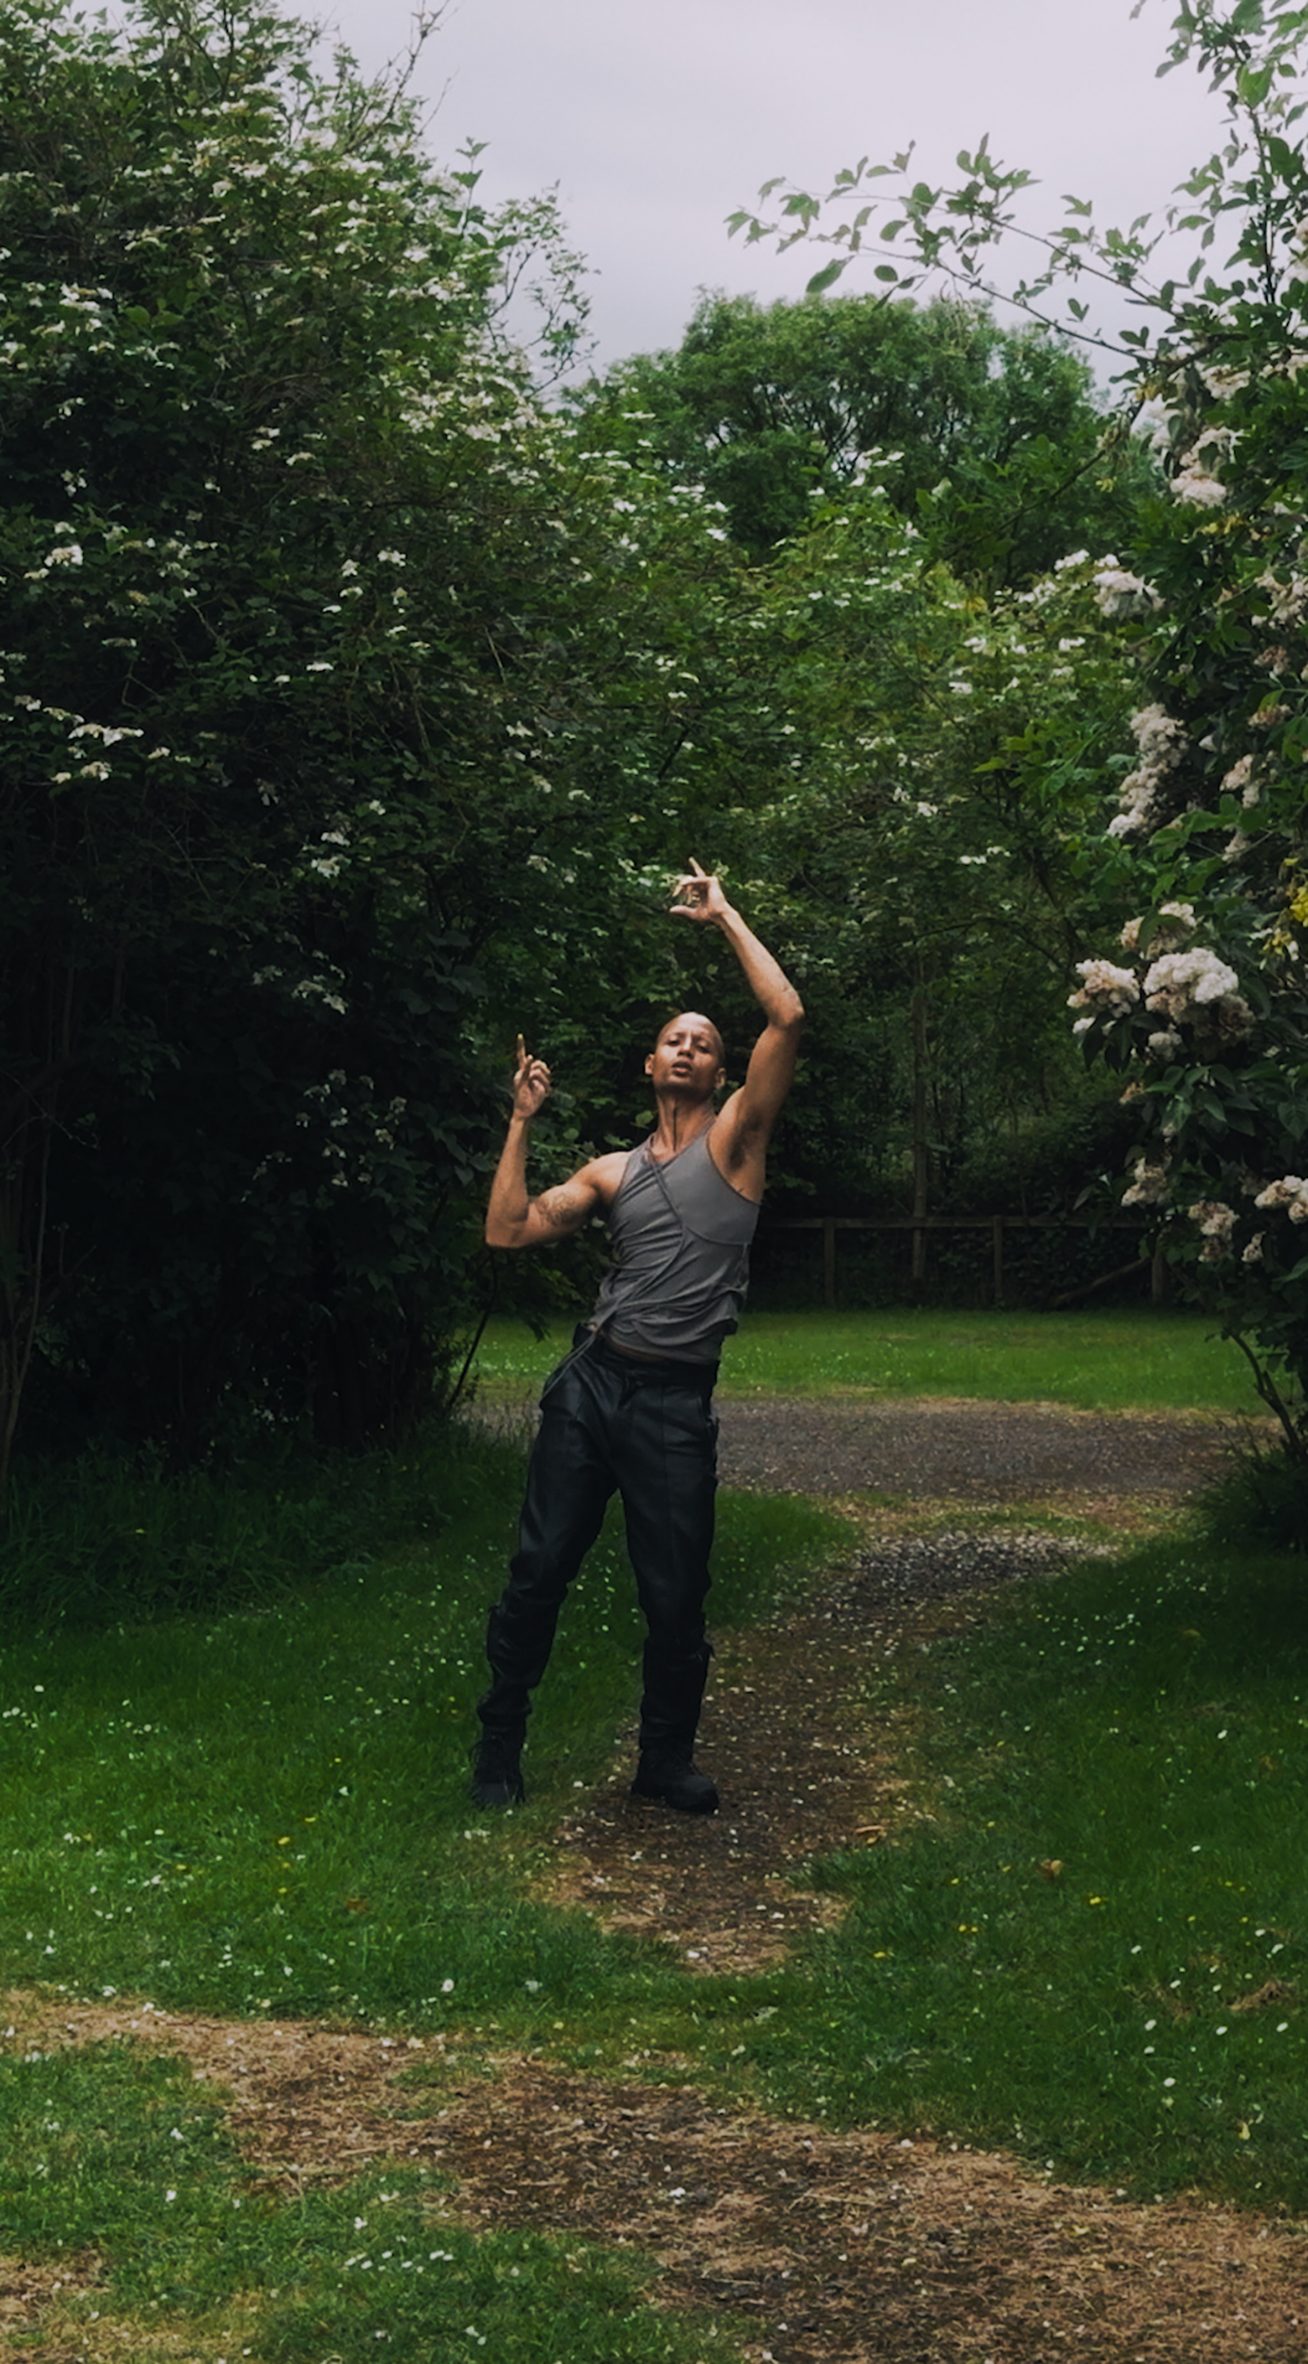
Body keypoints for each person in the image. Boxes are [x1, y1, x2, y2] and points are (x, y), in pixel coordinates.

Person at [472, 860, 804, 1815]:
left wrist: (725, 914)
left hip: (670, 1404)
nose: (692, 1048)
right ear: (651, 1066)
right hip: (591, 1385)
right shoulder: (611, 1172)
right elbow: (507, 1230)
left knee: (673, 1598)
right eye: (675, 1040)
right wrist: (519, 1122)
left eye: (705, 1041)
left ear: (718, 1067)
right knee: (538, 1571)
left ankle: (663, 1763)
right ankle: (499, 1750)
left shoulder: (738, 1138)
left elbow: (786, 1020)